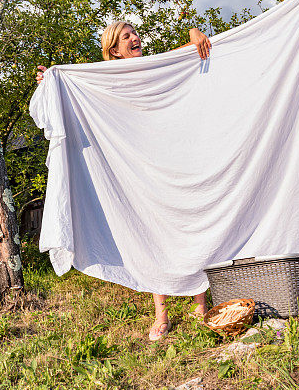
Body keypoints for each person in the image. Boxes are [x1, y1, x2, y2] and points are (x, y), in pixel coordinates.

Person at [36, 20, 211, 341]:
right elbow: (73, 88)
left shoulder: (152, 65)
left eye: (135, 33)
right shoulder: (107, 81)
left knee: (185, 222)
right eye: (126, 37)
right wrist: (52, 81)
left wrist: (194, 35)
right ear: (114, 50)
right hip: (133, 171)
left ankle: (200, 303)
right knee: (152, 235)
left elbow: (186, 54)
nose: (135, 38)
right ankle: (161, 313)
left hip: (170, 159)